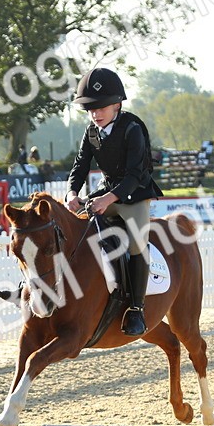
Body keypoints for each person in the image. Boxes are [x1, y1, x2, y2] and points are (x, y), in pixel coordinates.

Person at [65, 68, 162, 336]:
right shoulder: (90, 132)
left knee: (137, 244)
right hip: (105, 190)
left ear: (117, 104)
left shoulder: (133, 129)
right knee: (76, 230)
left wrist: (108, 198)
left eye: (101, 107)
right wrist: (72, 193)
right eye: (90, 109)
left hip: (135, 193)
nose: (96, 113)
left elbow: (135, 174)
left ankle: (136, 309)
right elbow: (80, 165)